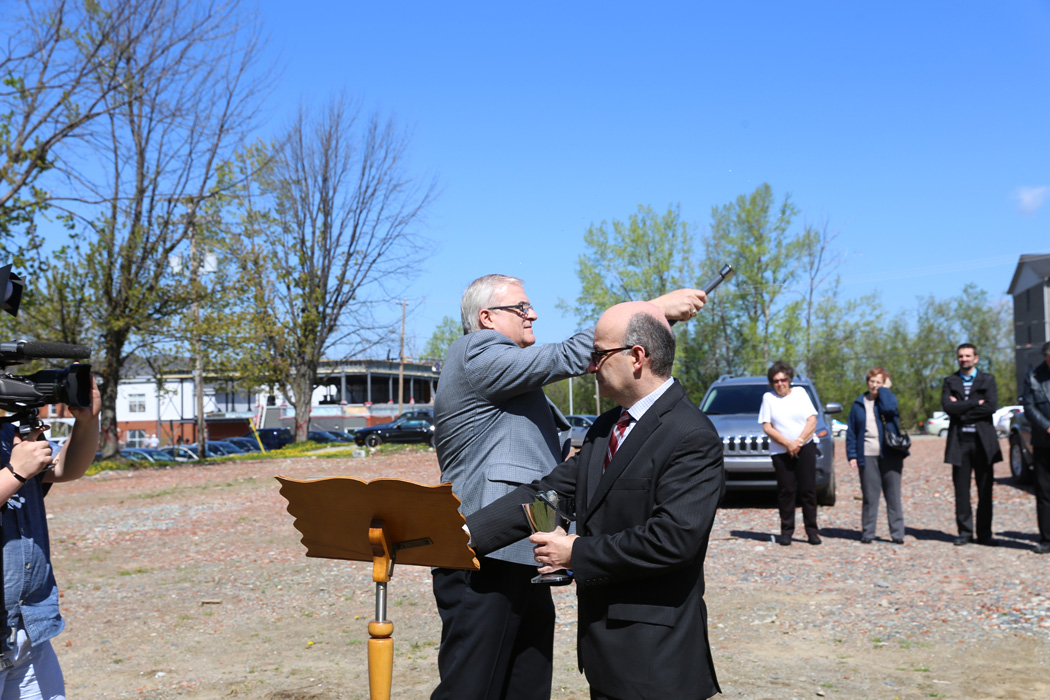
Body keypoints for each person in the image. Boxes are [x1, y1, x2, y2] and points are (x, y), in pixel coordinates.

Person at [431, 275, 705, 700]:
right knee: (473, 687)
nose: (533, 314)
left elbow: (550, 478)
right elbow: (568, 355)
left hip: (522, 551)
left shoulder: (682, 432)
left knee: (526, 681)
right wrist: (654, 309)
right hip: (486, 556)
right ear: (486, 318)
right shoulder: (476, 351)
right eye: (521, 307)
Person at [2, 372, 101, 697]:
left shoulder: (8, 435)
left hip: (27, 628)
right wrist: (15, 472)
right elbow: (20, 472)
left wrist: (86, 421)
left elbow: (65, 468)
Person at [941, 342, 1002, 546]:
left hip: (983, 442)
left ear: (976, 358)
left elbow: (991, 406)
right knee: (961, 491)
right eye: (961, 356)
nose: (964, 359)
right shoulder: (950, 381)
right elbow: (948, 407)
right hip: (960, 442)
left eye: (968, 356)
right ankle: (965, 532)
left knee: (985, 491)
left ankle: (985, 534)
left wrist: (961, 411)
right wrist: (976, 403)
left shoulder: (988, 380)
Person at [759, 361, 821, 546]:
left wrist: (799, 442)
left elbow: (812, 420)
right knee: (786, 491)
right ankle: (786, 531)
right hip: (780, 451)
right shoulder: (768, 398)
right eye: (775, 381)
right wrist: (787, 444)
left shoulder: (801, 394)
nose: (780, 383)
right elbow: (767, 426)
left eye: (783, 379)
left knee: (808, 490)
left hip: (805, 446)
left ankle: (812, 531)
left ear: (789, 379)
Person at [845, 367, 907, 544]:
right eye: (872, 381)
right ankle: (868, 532)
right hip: (867, 453)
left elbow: (889, 410)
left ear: (884, 383)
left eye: (878, 382)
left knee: (893, 495)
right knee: (870, 497)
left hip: (891, 454)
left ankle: (897, 534)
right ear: (867, 382)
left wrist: (885, 391)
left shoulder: (889, 399)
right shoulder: (858, 403)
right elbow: (852, 431)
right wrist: (852, 455)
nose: (874, 385)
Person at [1021, 341, 1050, 554]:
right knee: (1044, 492)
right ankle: (1047, 538)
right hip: (1044, 442)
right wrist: (1047, 427)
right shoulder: (1033, 376)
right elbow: (1029, 407)